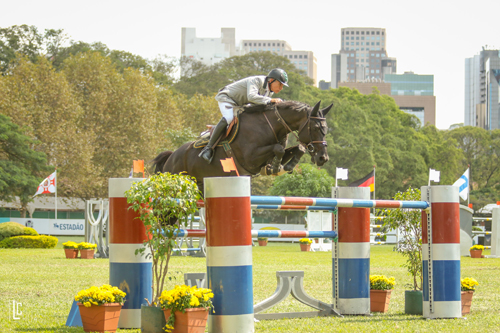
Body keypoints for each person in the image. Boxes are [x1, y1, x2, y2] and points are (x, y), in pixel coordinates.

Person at [198, 68, 289, 163]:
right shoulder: (257, 81)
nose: (281, 88)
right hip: (227, 98)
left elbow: (258, 104)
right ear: (271, 80)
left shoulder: (270, 91)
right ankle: (208, 149)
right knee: (229, 118)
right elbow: (251, 97)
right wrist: (270, 100)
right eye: (280, 84)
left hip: (240, 105)